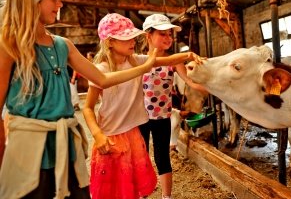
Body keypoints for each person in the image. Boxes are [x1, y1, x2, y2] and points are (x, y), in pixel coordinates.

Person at [0, 0, 157, 198]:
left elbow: (102, 79)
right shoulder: (8, 46)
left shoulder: (63, 45)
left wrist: (145, 66)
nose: (60, 3)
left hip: (67, 152)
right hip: (27, 156)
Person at [82, 13, 205, 199]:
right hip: (111, 134)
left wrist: (188, 54)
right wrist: (97, 134)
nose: (132, 41)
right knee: (113, 185)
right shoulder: (102, 69)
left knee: (132, 178)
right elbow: (87, 107)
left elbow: (166, 61)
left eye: (133, 36)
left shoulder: (135, 60)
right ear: (110, 43)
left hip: (134, 130)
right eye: (126, 38)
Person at [140, 14, 207, 199]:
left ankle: (166, 196)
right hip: (139, 118)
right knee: (141, 156)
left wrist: (214, 88)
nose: (168, 38)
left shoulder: (175, 61)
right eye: (162, 34)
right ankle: (142, 193)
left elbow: (190, 82)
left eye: (170, 34)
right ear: (148, 36)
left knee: (162, 156)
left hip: (162, 117)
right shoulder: (138, 60)